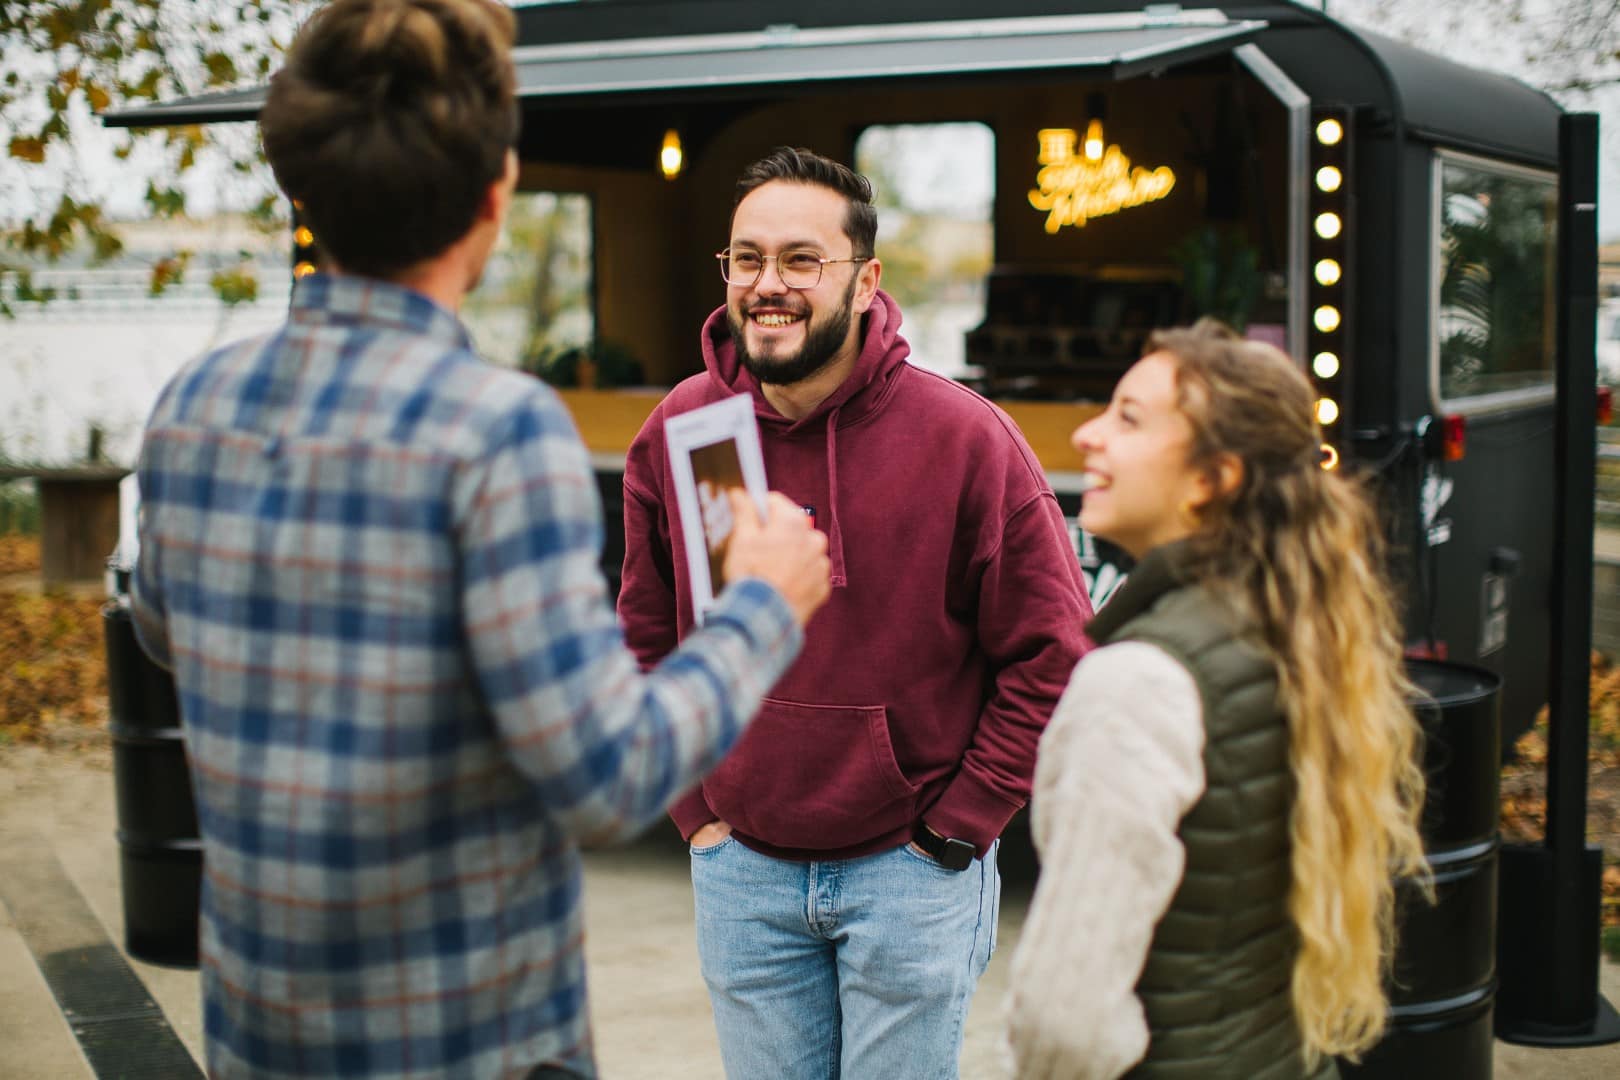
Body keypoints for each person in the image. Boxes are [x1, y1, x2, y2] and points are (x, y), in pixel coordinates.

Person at [128, 3, 831, 1077]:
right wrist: (761, 607)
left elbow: (167, 634)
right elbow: (606, 774)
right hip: (463, 1041)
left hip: (257, 1029)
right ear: (495, 195)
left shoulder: (191, 405)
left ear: (301, 189)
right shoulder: (495, 432)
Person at [618, 146, 1091, 1078]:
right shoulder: (690, 430)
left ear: (866, 280)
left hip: (910, 873)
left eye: (802, 260)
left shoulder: (964, 439)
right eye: (746, 258)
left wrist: (959, 826)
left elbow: (1055, 651)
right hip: (741, 866)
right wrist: (692, 810)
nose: (768, 285)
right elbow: (645, 635)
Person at [1005, 319, 1429, 1079]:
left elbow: (1062, 1020)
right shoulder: (1296, 622)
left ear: (1211, 479)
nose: (1089, 435)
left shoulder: (1137, 682)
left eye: (1129, 419)